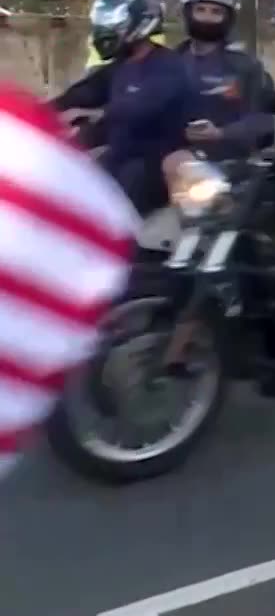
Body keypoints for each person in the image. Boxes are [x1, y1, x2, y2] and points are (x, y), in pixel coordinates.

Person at [0, 82, 138, 481]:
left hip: (167, 157)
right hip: (115, 155)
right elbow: (88, 90)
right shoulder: (120, 71)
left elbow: (146, 108)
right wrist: (57, 109)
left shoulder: (175, 71)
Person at [50, 0, 192, 215]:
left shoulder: (168, 65)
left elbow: (145, 105)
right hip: (118, 157)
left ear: (141, 22)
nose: (105, 30)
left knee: (109, 209)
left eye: (113, 22)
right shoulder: (121, 66)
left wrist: (95, 114)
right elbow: (82, 93)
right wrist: (35, 112)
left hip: (153, 163)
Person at [172, 0, 275, 162]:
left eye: (216, 12)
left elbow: (264, 121)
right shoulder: (170, 61)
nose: (207, 18)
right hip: (172, 160)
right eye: (200, 10)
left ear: (228, 17)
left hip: (229, 165)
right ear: (188, 13)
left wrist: (221, 133)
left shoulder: (246, 67)